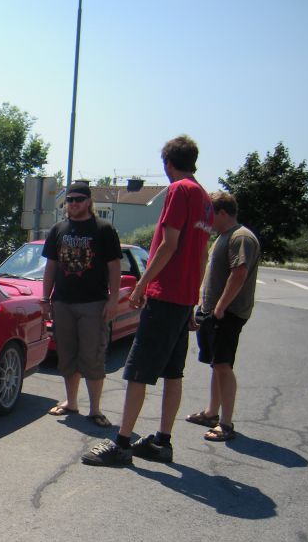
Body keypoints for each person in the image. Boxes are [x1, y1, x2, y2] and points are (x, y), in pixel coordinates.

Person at [81, 135, 213, 466]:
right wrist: (194, 298)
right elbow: (201, 254)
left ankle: (122, 444)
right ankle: (162, 442)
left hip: (165, 296)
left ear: (168, 163)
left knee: (138, 372)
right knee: (172, 372)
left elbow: (169, 243)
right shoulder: (205, 199)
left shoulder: (180, 191)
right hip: (182, 300)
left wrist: (141, 285)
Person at [40, 180, 121, 427]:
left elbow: (114, 266)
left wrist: (113, 299)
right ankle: (71, 402)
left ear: (88, 202)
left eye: (78, 200)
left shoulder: (103, 229)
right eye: (69, 200)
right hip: (63, 302)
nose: (73, 204)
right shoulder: (58, 229)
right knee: (67, 354)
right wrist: (45, 298)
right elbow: (51, 266)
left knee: (92, 355)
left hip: (93, 303)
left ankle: (95, 409)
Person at [185, 191, 259, 442]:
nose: (207, 219)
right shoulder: (223, 237)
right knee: (216, 365)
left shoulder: (241, 237)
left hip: (227, 314)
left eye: (210, 214)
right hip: (213, 313)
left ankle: (226, 423)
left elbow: (239, 273)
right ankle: (211, 413)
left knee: (224, 365)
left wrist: (219, 308)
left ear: (223, 212)